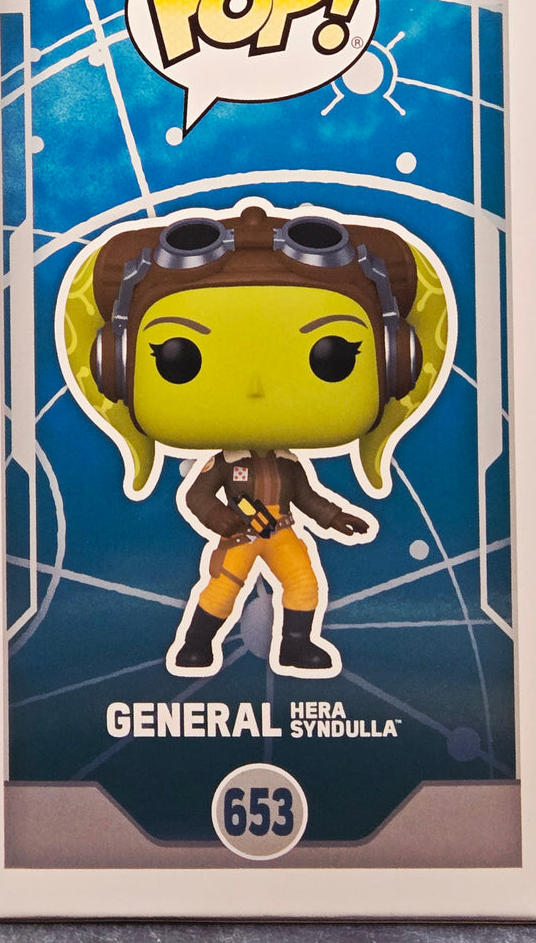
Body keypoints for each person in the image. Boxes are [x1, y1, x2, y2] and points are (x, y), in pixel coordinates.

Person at [59, 201, 451, 676]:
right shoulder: (224, 464)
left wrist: (335, 517)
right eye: (178, 358)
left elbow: (306, 497)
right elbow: (198, 496)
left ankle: (297, 645)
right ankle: (196, 644)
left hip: (282, 529)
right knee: (222, 588)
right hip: (241, 533)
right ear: (116, 366)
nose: (257, 389)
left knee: (303, 583)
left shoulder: (288, 465)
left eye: (334, 356)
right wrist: (221, 519)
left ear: (396, 362)